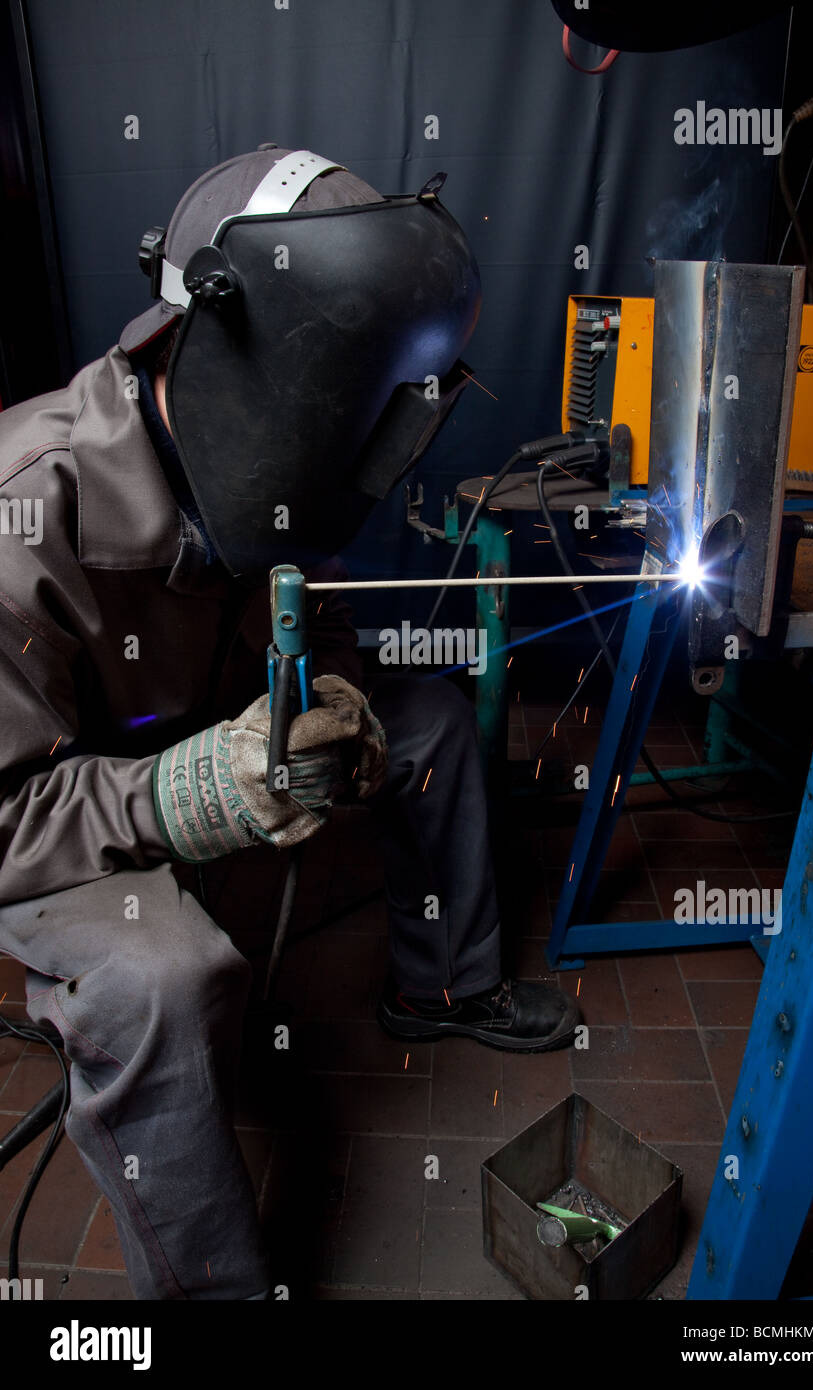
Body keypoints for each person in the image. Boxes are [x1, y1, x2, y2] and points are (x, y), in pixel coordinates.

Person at [0, 145, 579, 1299]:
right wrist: (181, 794)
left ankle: (441, 981)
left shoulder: (282, 448)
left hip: (209, 724)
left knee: (428, 720)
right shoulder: (26, 505)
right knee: (157, 978)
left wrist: (345, 699)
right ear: (202, 343)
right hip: (63, 822)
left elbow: (313, 618)